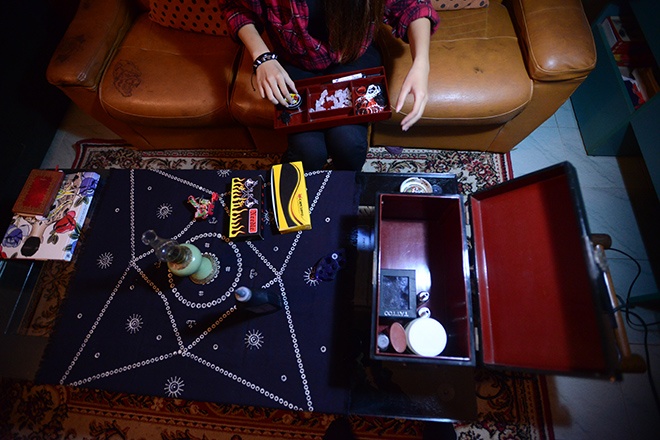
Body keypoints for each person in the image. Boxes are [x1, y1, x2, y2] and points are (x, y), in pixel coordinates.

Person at [223, 0, 439, 171]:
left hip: (354, 54)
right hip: (296, 60)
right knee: (307, 152)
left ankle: (343, 192)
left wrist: (421, 63)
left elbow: (413, 6)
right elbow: (235, 8)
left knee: (349, 144)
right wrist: (262, 57)